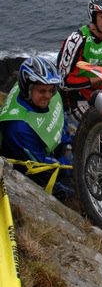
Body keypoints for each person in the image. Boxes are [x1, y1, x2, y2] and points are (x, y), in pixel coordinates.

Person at [0, 57, 73, 196]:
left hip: (52, 147)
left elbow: (60, 118)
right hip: (31, 172)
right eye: (42, 91)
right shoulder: (18, 128)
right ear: (27, 89)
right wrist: (69, 163)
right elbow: (42, 168)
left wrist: (67, 144)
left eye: (51, 90)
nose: (48, 96)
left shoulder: (41, 98)